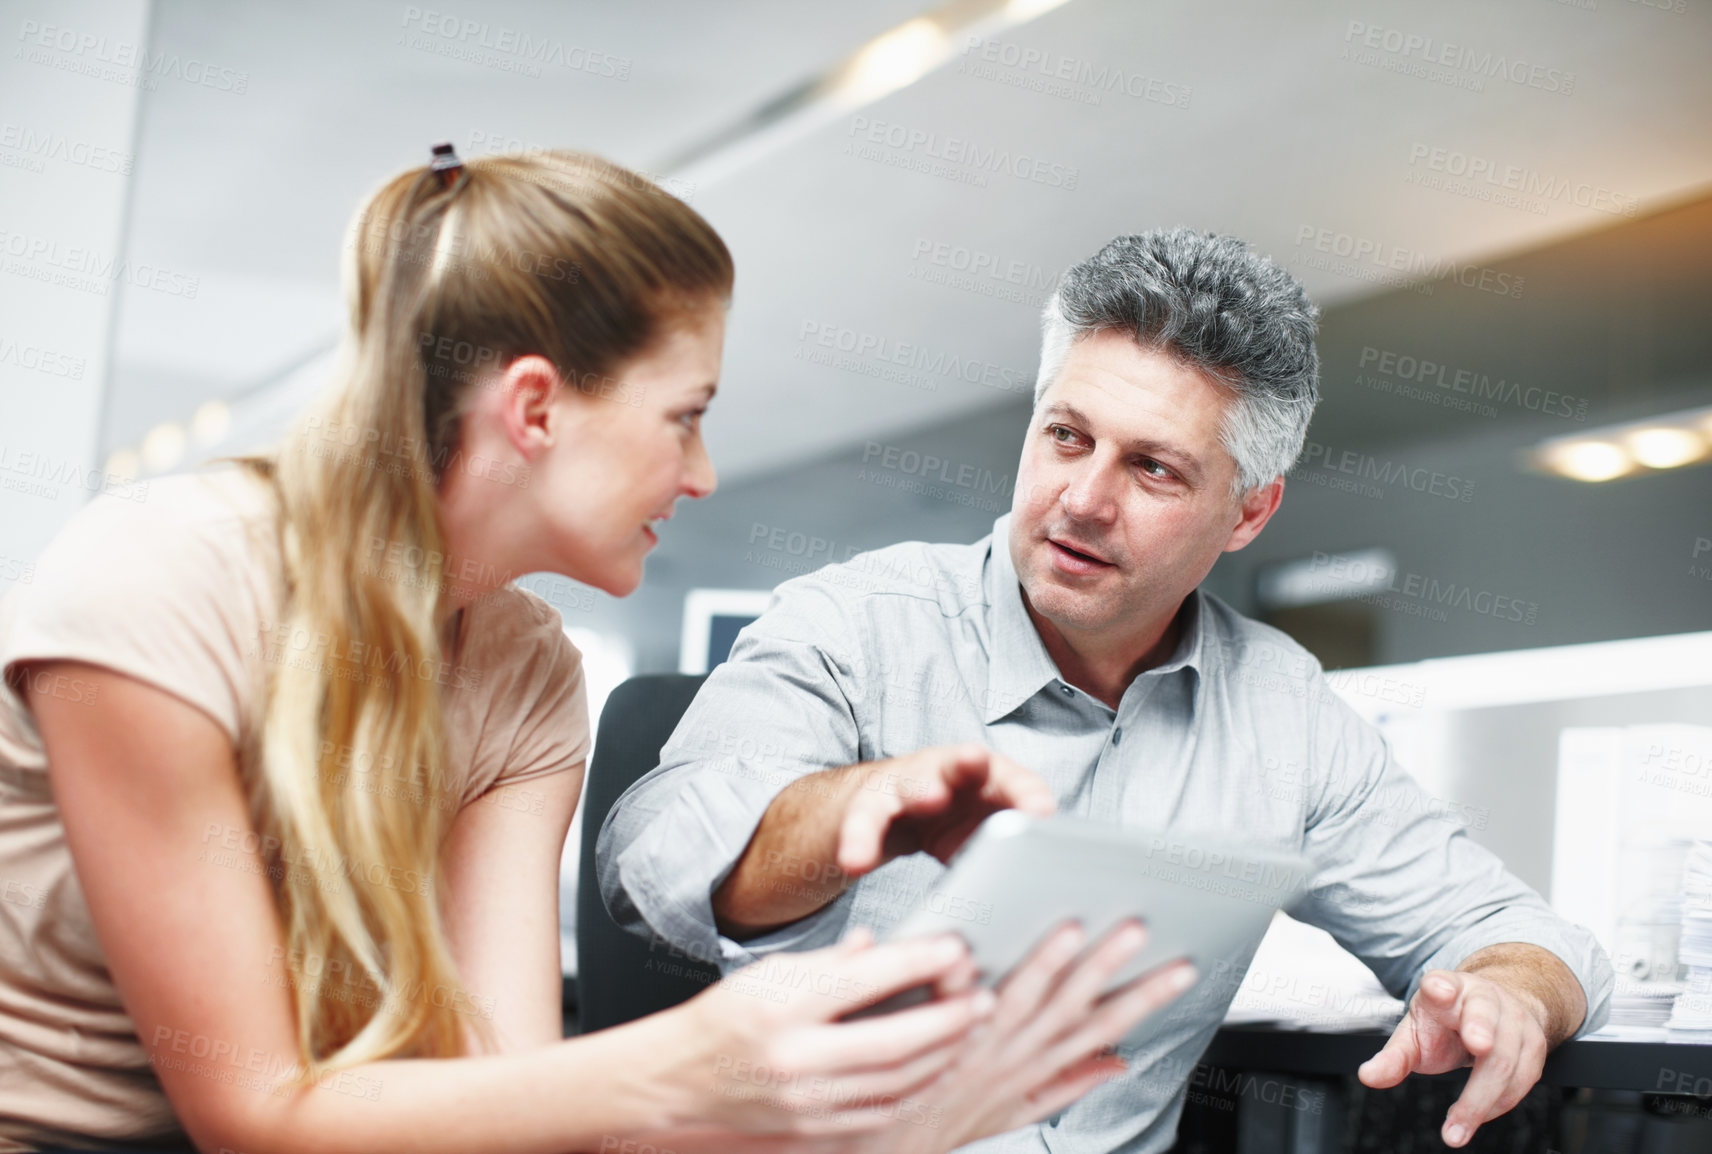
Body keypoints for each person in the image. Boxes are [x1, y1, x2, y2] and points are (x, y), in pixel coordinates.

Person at [0, 149, 1196, 1154]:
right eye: (685, 415)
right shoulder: (162, 576)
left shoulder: (529, 671)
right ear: (533, 409)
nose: (702, 471)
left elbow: (508, 1089)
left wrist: (873, 1114)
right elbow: (249, 1108)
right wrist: (691, 1059)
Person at [599, 228, 1617, 1153]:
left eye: (1154, 469)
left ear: (1248, 511)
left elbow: (1515, 931)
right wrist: (841, 812)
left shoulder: (1281, 710)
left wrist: (1513, 992)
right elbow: (657, 858)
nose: (1083, 500)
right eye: (1067, 436)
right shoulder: (855, 622)